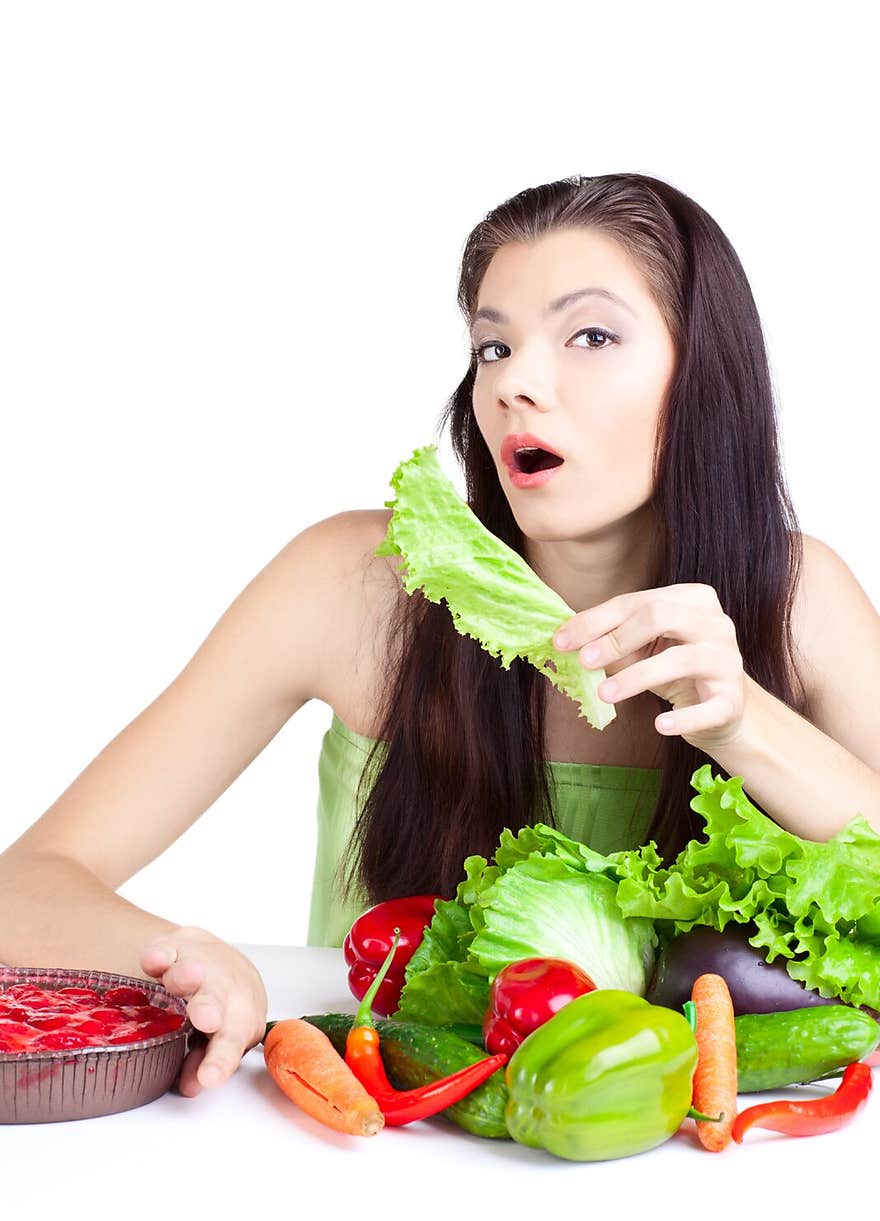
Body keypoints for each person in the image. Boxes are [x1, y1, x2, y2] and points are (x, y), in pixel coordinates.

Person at [2, 172, 879, 1099]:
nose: (516, 385)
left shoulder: (798, 597)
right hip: (371, 1132)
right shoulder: (360, 584)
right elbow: (28, 884)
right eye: (494, 345)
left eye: (590, 336)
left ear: (705, 373)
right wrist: (179, 960)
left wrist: (746, 727)